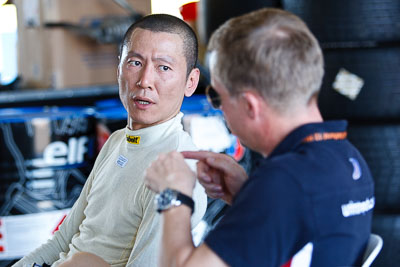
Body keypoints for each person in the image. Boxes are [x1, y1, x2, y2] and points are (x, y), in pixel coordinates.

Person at [144, 8, 375, 267]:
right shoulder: (347, 158)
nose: (219, 109)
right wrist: (247, 194)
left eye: (217, 97)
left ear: (250, 106)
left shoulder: (285, 182)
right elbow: (300, 225)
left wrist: (173, 194)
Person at [13, 14, 207, 267]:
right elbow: (63, 241)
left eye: (164, 67)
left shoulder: (178, 171)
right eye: (135, 63)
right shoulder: (117, 141)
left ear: (190, 82)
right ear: (118, 70)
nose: (145, 81)